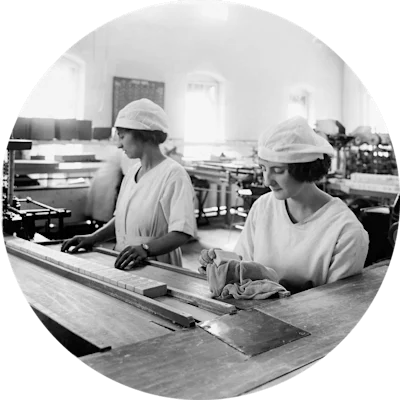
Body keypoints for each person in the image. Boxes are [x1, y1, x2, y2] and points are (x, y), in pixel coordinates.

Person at [199, 116, 369, 294]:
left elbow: (334, 309)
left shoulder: (346, 232)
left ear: (305, 168)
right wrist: (223, 264)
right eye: (264, 168)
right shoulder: (263, 207)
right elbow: (242, 265)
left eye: (278, 170)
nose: (267, 181)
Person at [62, 98, 197, 269]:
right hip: (126, 261)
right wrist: (92, 238)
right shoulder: (133, 171)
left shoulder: (173, 174)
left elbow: (182, 232)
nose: (119, 144)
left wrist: (145, 249)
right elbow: (120, 219)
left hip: (158, 266)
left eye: (122, 136)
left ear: (142, 134)